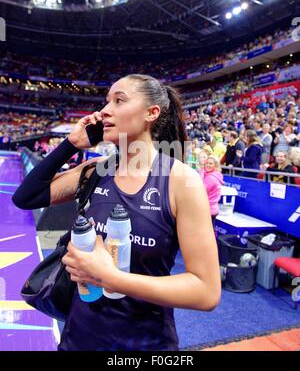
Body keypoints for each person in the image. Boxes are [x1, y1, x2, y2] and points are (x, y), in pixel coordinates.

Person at [12, 74, 221, 351]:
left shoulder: (181, 181)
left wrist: (111, 278)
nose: (104, 110)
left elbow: (206, 291)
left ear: (152, 112)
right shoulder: (95, 170)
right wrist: (70, 145)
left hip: (145, 344)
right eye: (106, 101)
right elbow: (26, 197)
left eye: (119, 100)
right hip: (77, 340)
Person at [203, 155, 224, 225]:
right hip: (213, 209)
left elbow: (201, 193)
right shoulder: (216, 175)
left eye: (210, 163)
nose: (208, 165)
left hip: (208, 210)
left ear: (215, 165)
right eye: (207, 163)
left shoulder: (210, 178)